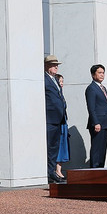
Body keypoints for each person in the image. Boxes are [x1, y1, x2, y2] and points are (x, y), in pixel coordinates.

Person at [85, 64, 107, 168]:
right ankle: (94, 170)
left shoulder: (103, 88)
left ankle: (100, 169)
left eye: (103, 73)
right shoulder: (91, 89)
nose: (102, 75)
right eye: (99, 73)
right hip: (98, 124)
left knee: (103, 149)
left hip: (106, 123)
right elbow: (91, 108)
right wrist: (96, 122)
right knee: (97, 149)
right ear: (93, 75)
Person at [44, 55, 67, 184]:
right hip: (50, 118)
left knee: (55, 147)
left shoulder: (55, 79)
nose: (56, 67)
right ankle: (49, 172)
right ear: (46, 66)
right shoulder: (44, 79)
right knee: (50, 146)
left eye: (57, 64)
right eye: (53, 64)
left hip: (59, 118)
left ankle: (52, 171)